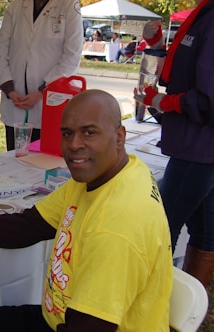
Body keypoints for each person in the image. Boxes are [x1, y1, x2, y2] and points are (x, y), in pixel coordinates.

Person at [0, 89, 173, 331]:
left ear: (120, 136)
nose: (74, 145)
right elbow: (25, 227)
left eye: (89, 132)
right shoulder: (110, 174)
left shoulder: (115, 228)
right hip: (57, 317)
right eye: (67, 133)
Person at [137, 0, 214, 288]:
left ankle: (150, 306)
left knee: (162, 226)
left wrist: (164, 102)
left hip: (198, 147)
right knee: (205, 230)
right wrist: (158, 46)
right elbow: (187, 70)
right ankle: (190, 310)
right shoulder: (202, 14)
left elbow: (207, 98)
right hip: (196, 144)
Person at [0, 0, 82, 151]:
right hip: (16, 101)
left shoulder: (68, 5)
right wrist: (10, 90)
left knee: (44, 162)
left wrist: (43, 92)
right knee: (15, 159)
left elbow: (72, 56)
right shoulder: (16, 6)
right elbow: (0, 51)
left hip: (49, 102)